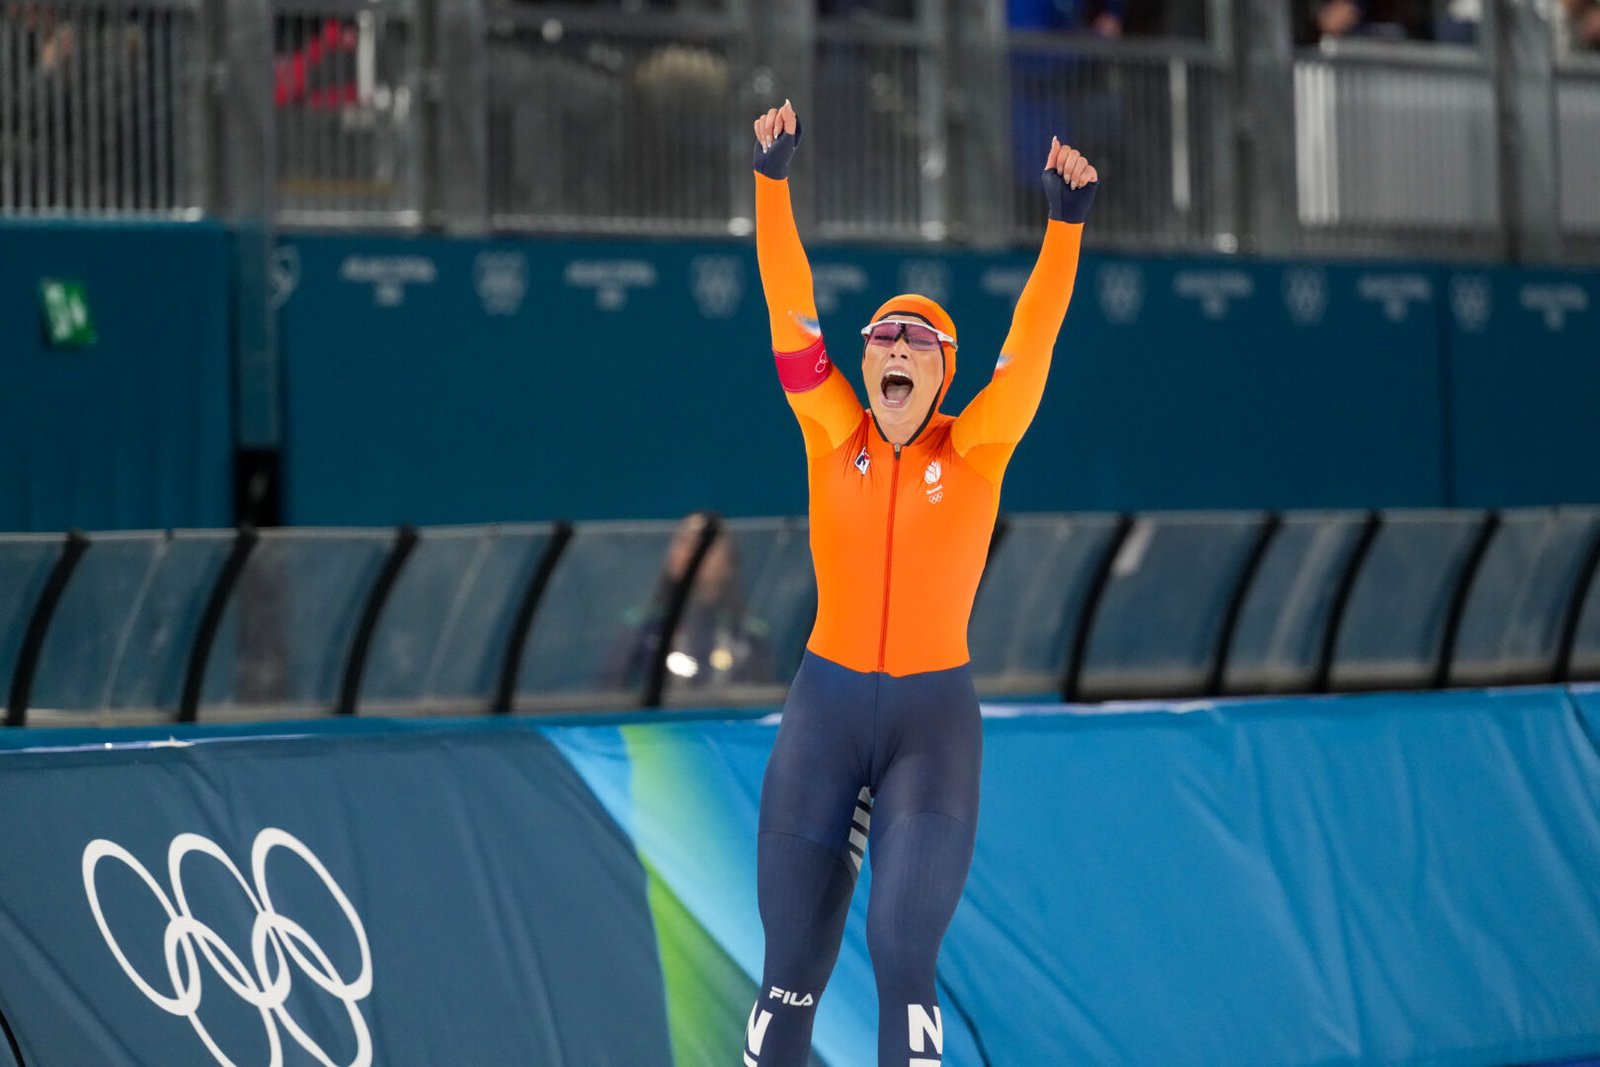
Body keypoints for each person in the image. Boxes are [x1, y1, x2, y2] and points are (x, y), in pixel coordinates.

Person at [743, 99, 1096, 1066]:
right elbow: (789, 303)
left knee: (902, 951)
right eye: (881, 337)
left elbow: (1031, 342)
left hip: (930, 730)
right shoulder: (832, 427)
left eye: (916, 342)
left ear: (942, 375)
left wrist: (1063, 233)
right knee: (788, 969)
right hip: (826, 709)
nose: (892, 347)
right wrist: (770, 188)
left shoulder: (979, 447)